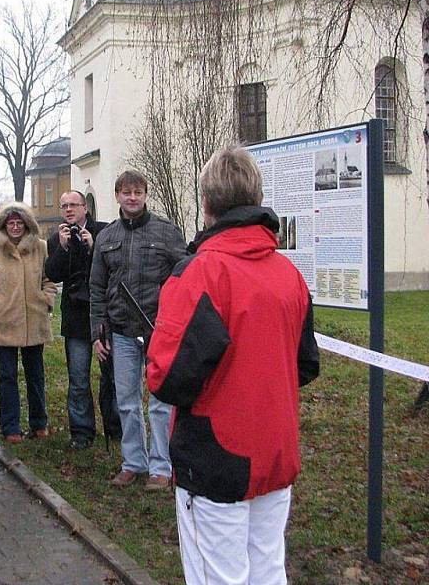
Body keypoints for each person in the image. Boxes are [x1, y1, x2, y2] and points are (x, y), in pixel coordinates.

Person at [146, 145, 320, 584]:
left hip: (215, 455)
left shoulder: (200, 274)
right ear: (256, 196)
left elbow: (166, 379)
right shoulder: (288, 275)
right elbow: (304, 364)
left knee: (219, 577)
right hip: (274, 449)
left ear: (206, 204)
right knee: (267, 570)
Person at [90, 170, 187, 490]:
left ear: (146, 195)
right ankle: (133, 461)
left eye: (138, 192)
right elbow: (96, 288)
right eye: (126, 192)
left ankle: (162, 464)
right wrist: (97, 332)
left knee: (160, 402)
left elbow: (184, 280)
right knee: (127, 401)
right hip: (120, 332)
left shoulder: (167, 233)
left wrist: (175, 323)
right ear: (117, 196)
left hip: (160, 331)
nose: (132, 197)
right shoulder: (106, 237)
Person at [0, 202, 57, 443]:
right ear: (3, 225)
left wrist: (46, 300)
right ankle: (10, 427)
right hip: (5, 322)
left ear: (26, 225)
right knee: (7, 376)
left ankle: (38, 423)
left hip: (34, 320)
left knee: (36, 374)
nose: (14, 227)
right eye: (10, 223)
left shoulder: (40, 247)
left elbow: (49, 279)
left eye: (19, 223)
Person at [45, 190, 119, 450]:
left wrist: (93, 247)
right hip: (75, 317)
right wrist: (64, 249)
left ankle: (115, 428)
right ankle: (81, 431)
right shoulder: (57, 239)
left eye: (73, 205)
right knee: (78, 378)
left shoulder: (104, 232)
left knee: (110, 375)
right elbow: (52, 274)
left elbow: (113, 269)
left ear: (84, 207)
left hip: (103, 316)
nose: (68, 210)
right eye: (63, 205)